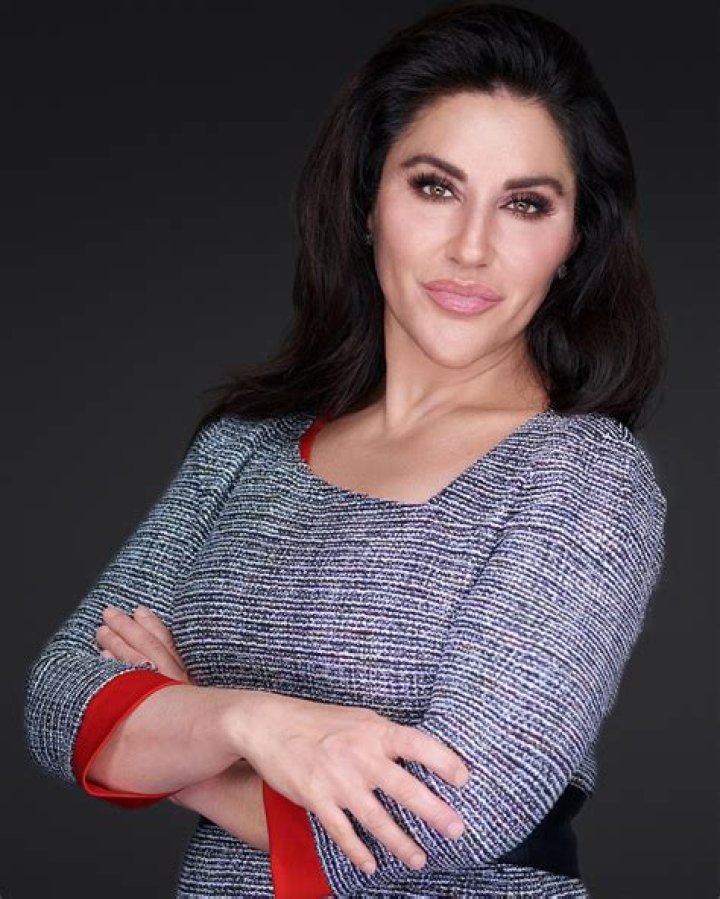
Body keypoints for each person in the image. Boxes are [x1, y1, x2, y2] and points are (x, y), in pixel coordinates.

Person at [24, 2, 668, 897]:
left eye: (525, 204)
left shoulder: (583, 476)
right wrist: (255, 723)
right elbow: (59, 701)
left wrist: (180, 741)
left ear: (573, 240)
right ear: (368, 201)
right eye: (434, 187)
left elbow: (448, 817)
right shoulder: (246, 449)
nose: (471, 247)